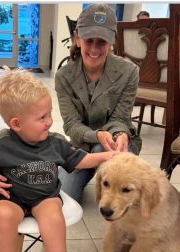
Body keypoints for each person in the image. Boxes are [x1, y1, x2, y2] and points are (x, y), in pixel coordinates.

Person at [0, 66, 118, 252]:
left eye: (49, 113)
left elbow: (79, 159)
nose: (50, 122)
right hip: (9, 197)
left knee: (53, 214)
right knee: (3, 216)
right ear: (17, 124)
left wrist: (106, 156)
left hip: (44, 196)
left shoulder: (55, 142)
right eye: (42, 117)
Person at [55, 4, 142, 201]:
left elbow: (120, 117)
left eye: (102, 41)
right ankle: (89, 172)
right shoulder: (64, 76)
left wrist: (120, 134)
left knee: (127, 197)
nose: (94, 49)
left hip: (118, 144)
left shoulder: (129, 72)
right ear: (77, 38)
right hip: (82, 146)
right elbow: (71, 125)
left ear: (112, 41)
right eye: (89, 40)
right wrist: (97, 135)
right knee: (63, 196)